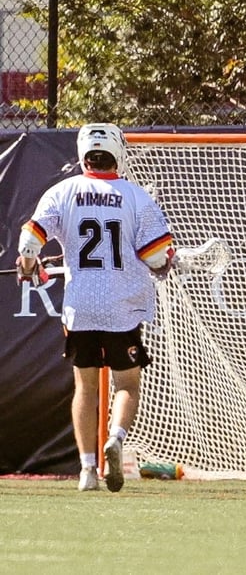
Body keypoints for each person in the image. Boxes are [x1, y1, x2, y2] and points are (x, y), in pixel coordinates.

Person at [16, 123, 174, 493]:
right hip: (122, 305)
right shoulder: (137, 197)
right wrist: (165, 262)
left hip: (80, 305)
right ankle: (115, 438)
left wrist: (28, 265)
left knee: (85, 386)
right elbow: (154, 257)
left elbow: (29, 242)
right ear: (118, 152)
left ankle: (87, 470)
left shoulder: (63, 191)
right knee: (127, 385)